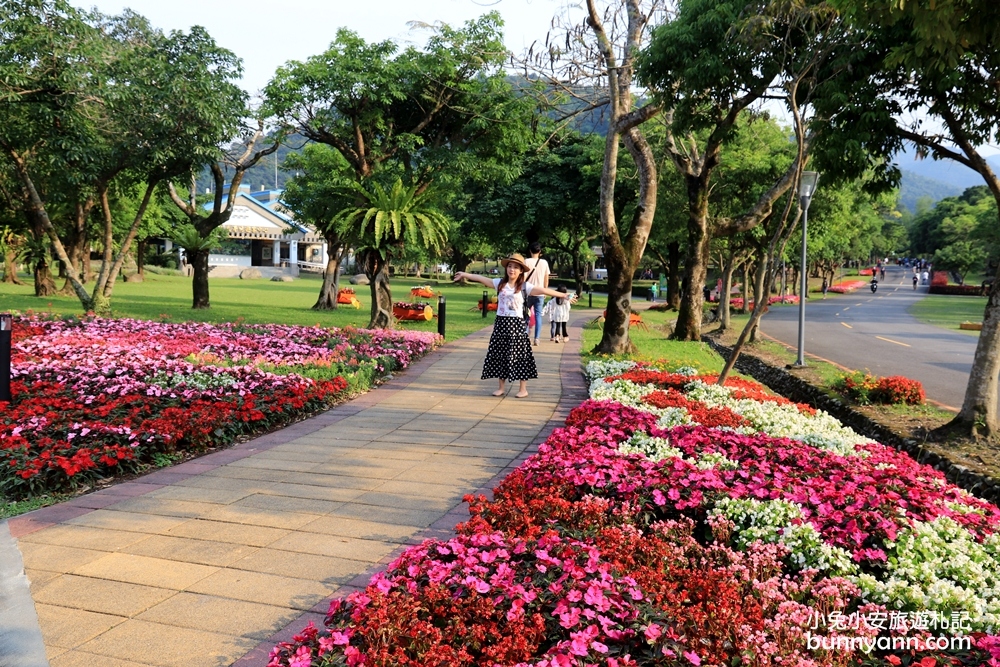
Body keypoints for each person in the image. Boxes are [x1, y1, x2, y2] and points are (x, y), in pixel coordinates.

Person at [454, 254, 576, 398]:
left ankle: (523, 389)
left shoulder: (525, 286)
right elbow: (482, 279)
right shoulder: (499, 283)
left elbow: (544, 290)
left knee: (520, 356)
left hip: (516, 325)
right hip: (501, 324)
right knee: (501, 355)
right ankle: (501, 387)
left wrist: (564, 295)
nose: (512, 270)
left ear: (520, 271)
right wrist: (464, 274)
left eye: (516, 267)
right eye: (510, 266)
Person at [523, 242, 551, 346]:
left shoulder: (526, 261)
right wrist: (545, 290)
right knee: (538, 316)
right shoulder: (544, 263)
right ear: (540, 252)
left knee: (525, 315)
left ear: (530, 251)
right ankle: (537, 338)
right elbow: (546, 279)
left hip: (528, 292)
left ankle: (525, 337)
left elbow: (524, 277)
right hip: (540, 292)